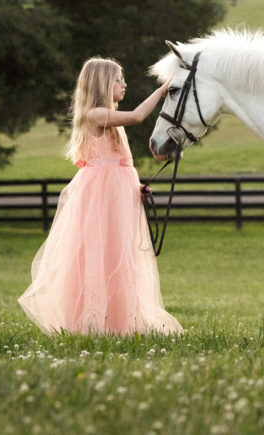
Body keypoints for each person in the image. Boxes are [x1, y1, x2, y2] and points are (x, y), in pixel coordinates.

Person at [18, 57, 182, 335]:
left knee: (121, 253)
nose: (124, 84)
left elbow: (118, 162)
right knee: (102, 254)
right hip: (101, 195)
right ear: (102, 83)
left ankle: (121, 320)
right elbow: (137, 117)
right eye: (118, 79)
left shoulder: (108, 117)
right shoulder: (95, 114)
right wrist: (160, 91)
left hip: (117, 192)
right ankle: (95, 321)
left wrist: (134, 189)